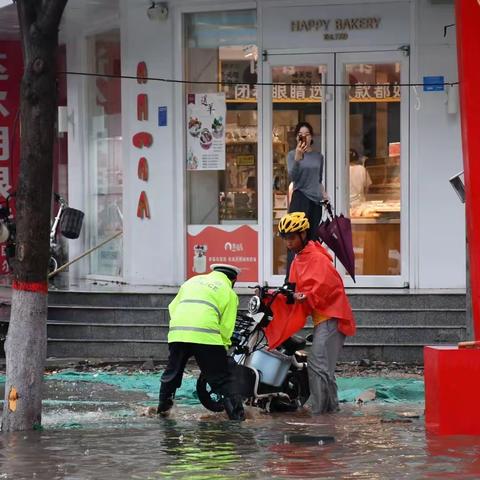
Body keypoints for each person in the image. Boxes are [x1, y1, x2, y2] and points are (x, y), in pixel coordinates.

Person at [277, 211, 356, 414]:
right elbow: (293, 287)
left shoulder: (318, 259)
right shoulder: (298, 260)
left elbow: (325, 288)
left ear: (303, 235)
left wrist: (305, 296)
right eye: (285, 238)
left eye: (292, 237)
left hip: (333, 317)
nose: (288, 243)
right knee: (324, 369)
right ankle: (331, 412)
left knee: (317, 365)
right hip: (323, 319)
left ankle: (320, 414)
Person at [157, 263, 245, 421]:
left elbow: (172, 307)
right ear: (233, 280)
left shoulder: (192, 281)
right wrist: (223, 346)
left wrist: (181, 326)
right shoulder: (229, 292)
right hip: (206, 335)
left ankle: (162, 411)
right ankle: (238, 419)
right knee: (222, 378)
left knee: (172, 373)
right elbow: (227, 325)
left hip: (178, 333)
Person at [286, 121, 327, 279]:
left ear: (311, 137)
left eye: (307, 134)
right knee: (294, 239)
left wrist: (324, 194)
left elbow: (318, 179)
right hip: (300, 198)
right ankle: (291, 279)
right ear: (297, 137)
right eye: (300, 135)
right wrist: (297, 158)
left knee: (312, 240)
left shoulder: (318, 157)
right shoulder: (292, 155)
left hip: (315, 202)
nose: (304, 137)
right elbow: (293, 178)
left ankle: (311, 276)